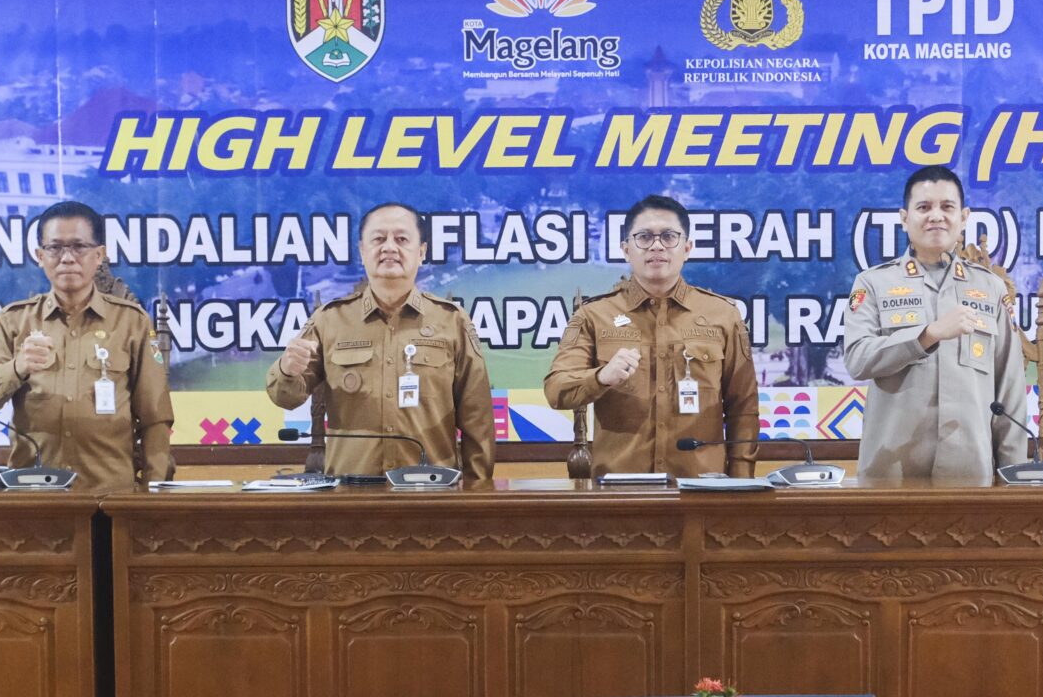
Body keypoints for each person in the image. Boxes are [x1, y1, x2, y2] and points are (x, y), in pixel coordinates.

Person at [267, 201, 495, 485]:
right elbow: (285, 398)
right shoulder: (330, 320)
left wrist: (477, 491)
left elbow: (478, 419)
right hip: (351, 496)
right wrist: (287, 370)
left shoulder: (452, 321)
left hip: (432, 493)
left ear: (421, 252)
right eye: (378, 239)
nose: (389, 247)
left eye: (401, 239)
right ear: (362, 252)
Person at [0, 198, 174, 491]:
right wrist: (17, 367)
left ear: (99, 255)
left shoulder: (131, 322)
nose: (67, 258)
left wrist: (155, 493)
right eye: (55, 248)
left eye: (79, 247)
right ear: (40, 256)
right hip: (35, 496)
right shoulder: (14, 321)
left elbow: (155, 419)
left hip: (111, 497)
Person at [542, 194, 757, 477]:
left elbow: (744, 407)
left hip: (701, 488)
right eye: (644, 237)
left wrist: (741, 482)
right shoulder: (593, 315)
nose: (657, 246)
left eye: (669, 236)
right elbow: (556, 390)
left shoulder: (723, 315)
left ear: (687, 248)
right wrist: (601, 377)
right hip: (619, 490)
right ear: (626, 249)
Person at [843, 165, 1028, 487]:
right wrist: (926, 336)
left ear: (964, 217)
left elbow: (1009, 387)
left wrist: (1014, 477)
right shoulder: (872, 283)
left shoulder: (990, 287)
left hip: (970, 472)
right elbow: (858, 360)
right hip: (891, 472)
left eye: (947, 207)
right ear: (904, 218)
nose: (936, 216)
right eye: (924, 207)